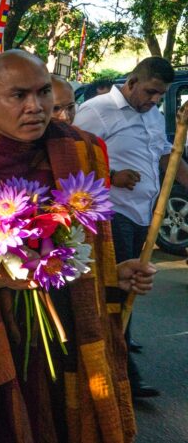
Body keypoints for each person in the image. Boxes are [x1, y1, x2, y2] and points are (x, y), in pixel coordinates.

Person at [0, 49, 157, 442]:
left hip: (68, 329)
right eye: (19, 95)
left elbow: (88, 246)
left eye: (43, 92)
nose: (36, 107)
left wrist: (115, 274)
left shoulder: (81, 150)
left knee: (64, 422)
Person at [75, 56, 188, 398]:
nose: (155, 100)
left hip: (144, 214)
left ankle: (123, 335)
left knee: (131, 283)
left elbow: (167, 156)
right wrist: (112, 177)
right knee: (119, 286)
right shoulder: (95, 111)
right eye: (151, 92)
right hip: (111, 211)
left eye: (161, 94)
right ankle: (122, 367)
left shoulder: (152, 116)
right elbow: (72, 158)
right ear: (133, 82)